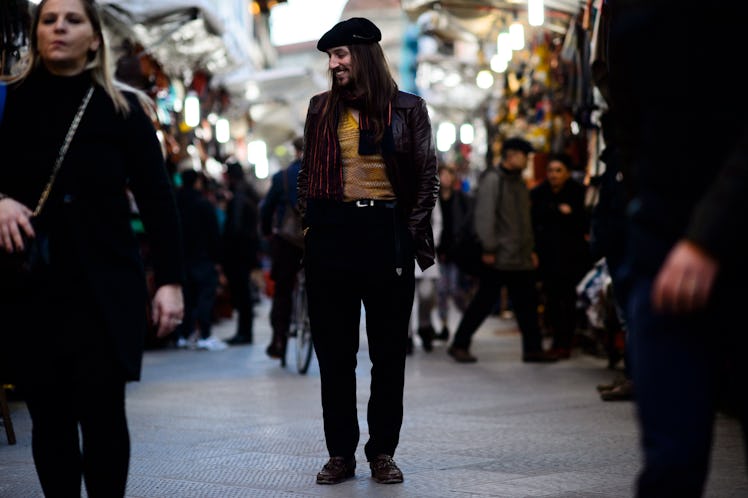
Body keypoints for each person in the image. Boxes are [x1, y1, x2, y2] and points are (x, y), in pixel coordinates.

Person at [0, 0, 184, 496]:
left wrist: (170, 282)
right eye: (49, 19)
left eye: (73, 19)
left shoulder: (122, 107)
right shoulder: (7, 102)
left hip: (105, 288)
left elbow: (158, 200)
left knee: (104, 417)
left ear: (96, 37)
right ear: (36, 33)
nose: (59, 27)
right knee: (50, 418)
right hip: (30, 286)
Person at [607, 1, 748, 496]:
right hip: (660, 250)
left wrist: (706, 237)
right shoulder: (623, 13)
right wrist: (646, 213)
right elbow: (626, 123)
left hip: (722, 239)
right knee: (670, 463)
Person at [297, 17, 438, 485]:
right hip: (332, 237)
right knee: (335, 356)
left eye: (340, 55)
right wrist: (312, 226)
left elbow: (425, 180)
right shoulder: (321, 109)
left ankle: (382, 452)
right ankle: (340, 453)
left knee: (388, 355)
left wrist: (406, 232)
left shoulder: (409, 108)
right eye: (330, 57)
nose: (333, 64)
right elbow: (305, 177)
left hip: (386, 236)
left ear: (365, 55)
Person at [447, 137, 558, 364]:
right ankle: (459, 343)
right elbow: (484, 216)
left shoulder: (518, 182)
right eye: (524, 156)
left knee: (527, 302)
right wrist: (488, 247)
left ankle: (533, 349)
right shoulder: (493, 180)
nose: (527, 161)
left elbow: (523, 221)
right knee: (484, 302)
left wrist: (531, 249)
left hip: (520, 255)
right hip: (499, 255)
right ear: (511, 155)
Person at [530, 152, 591, 359]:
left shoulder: (578, 193)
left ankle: (565, 342)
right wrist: (559, 211)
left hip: (571, 257)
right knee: (552, 300)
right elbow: (534, 220)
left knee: (569, 300)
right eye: (550, 171)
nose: (554, 175)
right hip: (547, 257)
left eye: (558, 171)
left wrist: (564, 213)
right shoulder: (539, 193)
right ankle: (557, 341)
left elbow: (582, 221)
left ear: (567, 173)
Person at [259, 136, 305, 361]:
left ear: (295, 151)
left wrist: (267, 232)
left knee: (283, 290)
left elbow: (266, 209)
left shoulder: (282, 177)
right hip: (315, 241)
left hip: (287, 241)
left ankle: (279, 339)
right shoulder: (324, 172)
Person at [174, 169, 225, 351]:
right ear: (196, 182)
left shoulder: (176, 202)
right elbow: (213, 233)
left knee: (187, 297)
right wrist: (218, 259)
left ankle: (183, 334)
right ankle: (204, 334)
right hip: (203, 257)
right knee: (205, 295)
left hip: (181, 257)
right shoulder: (204, 204)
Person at [434, 162, 475, 341]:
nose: (446, 178)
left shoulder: (462, 199)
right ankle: (443, 325)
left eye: (449, 174)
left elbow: (467, 224)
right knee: (441, 291)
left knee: (455, 290)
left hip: (457, 252)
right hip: (438, 251)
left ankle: (467, 319)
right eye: (443, 175)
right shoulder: (433, 199)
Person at [222, 159, 261, 346]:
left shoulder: (238, 194)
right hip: (247, 251)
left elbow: (235, 227)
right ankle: (244, 332)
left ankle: (244, 333)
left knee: (242, 293)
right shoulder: (247, 191)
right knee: (244, 292)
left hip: (238, 253)